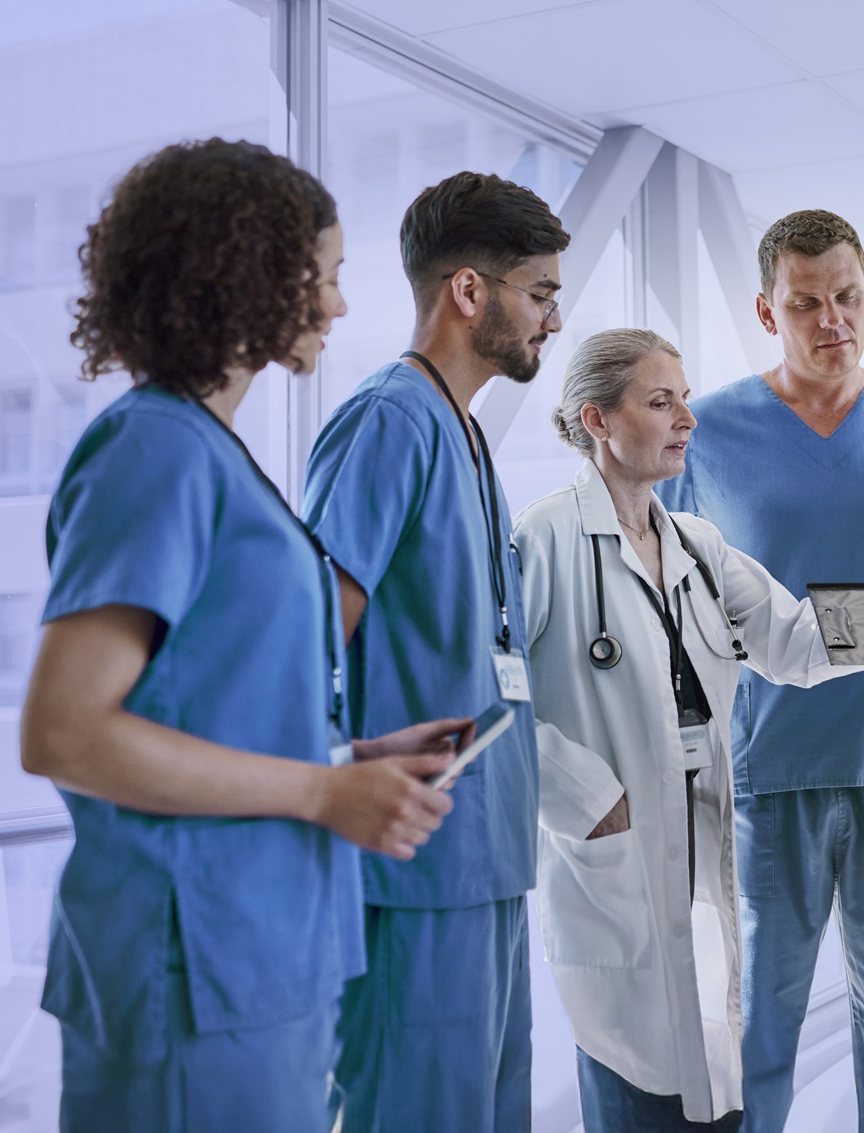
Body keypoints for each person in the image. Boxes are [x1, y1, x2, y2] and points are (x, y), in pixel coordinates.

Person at [21, 139, 465, 1131]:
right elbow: (65, 731)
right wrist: (322, 788)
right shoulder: (154, 450)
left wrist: (344, 757)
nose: (341, 305)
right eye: (332, 275)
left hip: (259, 954)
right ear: (256, 270)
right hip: (189, 966)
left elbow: (200, 700)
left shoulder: (214, 455)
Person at [655, 209, 864, 1133]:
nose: (832, 319)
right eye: (805, 303)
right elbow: (663, 591)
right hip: (761, 770)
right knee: (755, 1030)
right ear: (766, 311)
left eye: (847, 297)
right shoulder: (703, 431)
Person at [516, 328, 864, 1130]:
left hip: (699, 850)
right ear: (596, 420)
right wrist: (584, 798)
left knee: (709, 1091)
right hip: (615, 857)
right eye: (660, 401)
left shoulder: (698, 547)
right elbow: (491, 697)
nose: (687, 419)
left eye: (685, 399)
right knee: (633, 1087)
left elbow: (801, 641)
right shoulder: (544, 539)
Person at [302, 171, 570, 1131]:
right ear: (469, 291)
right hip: (414, 871)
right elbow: (302, 635)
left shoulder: (465, 431)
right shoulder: (391, 419)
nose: (551, 317)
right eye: (539, 292)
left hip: (488, 858)